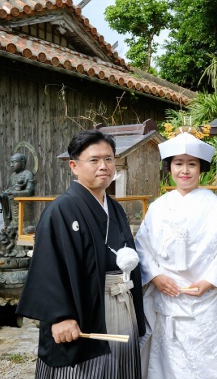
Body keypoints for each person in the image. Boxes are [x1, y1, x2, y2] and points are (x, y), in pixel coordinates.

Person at [16, 130, 145, 378]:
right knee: (85, 370)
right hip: (82, 311)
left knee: (120, 368)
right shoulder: (61, 210)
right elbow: (48, 268)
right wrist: (60, 316)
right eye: (94, 160)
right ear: (74, 166)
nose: (103, 166)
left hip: (120, 302)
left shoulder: (115, 209)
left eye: (108, 159)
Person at [136, 128, 217, 379]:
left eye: (192, 164)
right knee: (168, 357)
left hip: (206, 296)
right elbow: (142, 244)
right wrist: (155, 277)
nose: (184, 170)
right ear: (169, 167)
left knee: (208, 357)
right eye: (178, 164)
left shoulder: (216, 205)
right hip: (168, 293)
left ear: (201, 168)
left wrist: (209, 281)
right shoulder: (158, 207)